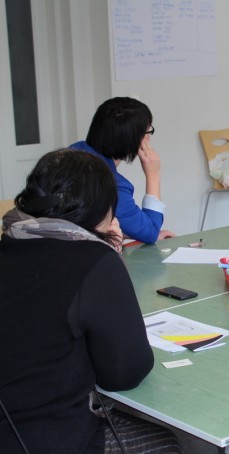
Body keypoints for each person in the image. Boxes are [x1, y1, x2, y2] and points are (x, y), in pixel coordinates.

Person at [0, 149, 182, 453]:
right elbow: (126, 373)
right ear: (101, 208)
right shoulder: (93, 260)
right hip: (49, 438)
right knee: (168, 442)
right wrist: (109, 252)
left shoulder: (8, 243)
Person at [70, 97, 176, 243]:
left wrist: (132, 232)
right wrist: (153, 174)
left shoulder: (72, 152)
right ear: (135, 139)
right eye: (148, 131)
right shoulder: (112, 185)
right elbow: (151, 231)